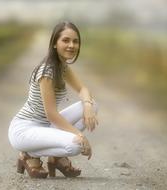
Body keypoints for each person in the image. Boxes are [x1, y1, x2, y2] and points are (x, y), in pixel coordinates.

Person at [8, 21, 99, 178]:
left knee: (93, 105)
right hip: (24, 130)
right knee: (75, 146)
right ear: (55, 44)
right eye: (66, 40)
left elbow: (83, 89)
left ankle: (54, 158)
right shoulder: (47, 71)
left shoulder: (61, 66)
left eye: (75, 41)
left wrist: (88, 106)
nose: (71, 45)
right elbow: (52, 114)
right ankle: (28, 154)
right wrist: (80, 136)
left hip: (46, 126)